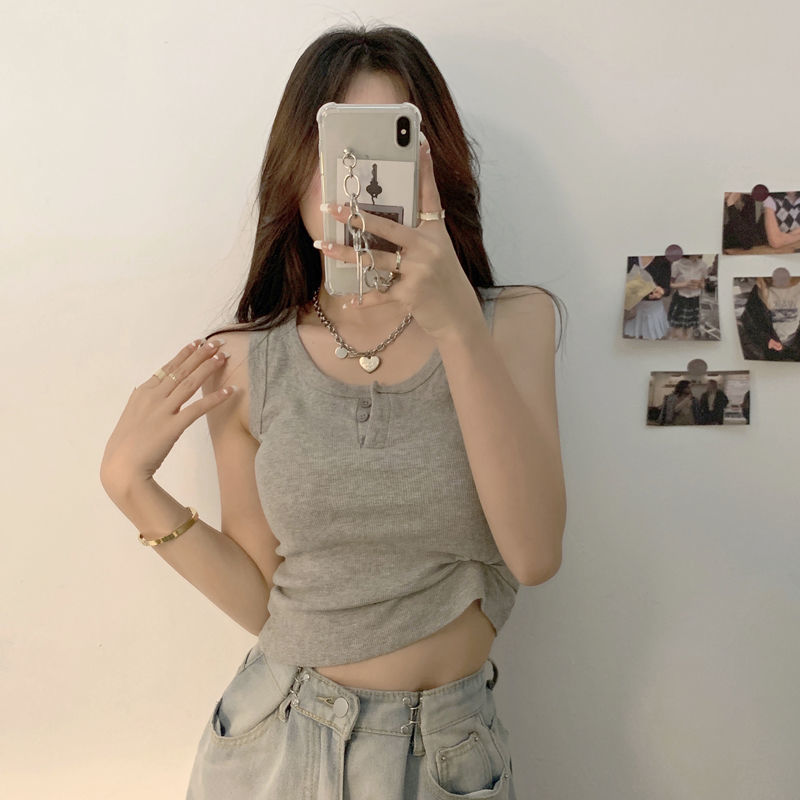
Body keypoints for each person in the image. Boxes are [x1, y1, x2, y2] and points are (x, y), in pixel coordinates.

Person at [99, 25, 566, 800]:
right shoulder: (248, 360)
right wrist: (131, 488)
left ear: (436, 168)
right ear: (295, 172)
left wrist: (455, 322)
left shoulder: (511, 324)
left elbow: (535, 554)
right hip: (278, 738)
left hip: (449, 754)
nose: (361, 184)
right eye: (338, 151)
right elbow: (268, 601)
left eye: (389, 148)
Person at [667, 254, 709, 340]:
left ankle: (686, 344)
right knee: (676, 328)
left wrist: (700, 284)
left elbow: (704, 284)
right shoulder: (677, 264)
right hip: (680, 298)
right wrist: (685, 284)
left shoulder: (702, 265)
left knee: (689, 328)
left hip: (694, 299)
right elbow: (670, 284)